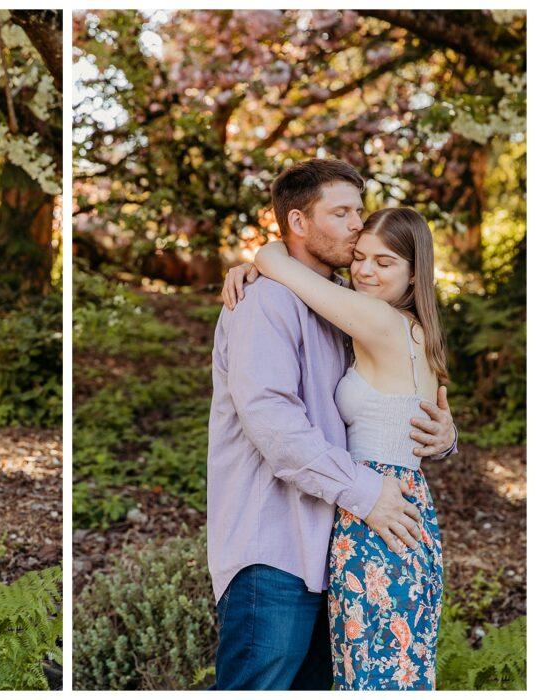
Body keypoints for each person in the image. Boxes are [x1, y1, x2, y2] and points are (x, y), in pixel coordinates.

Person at [207, 159, 456, 690]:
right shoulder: (265, 301)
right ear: (299, 223)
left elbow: (394, 399)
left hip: (340, 540)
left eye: (358, 212)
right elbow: (273, 422)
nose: (355, 226)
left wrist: (444, 435)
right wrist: (366, 492)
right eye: (341, 213)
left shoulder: (347, 305)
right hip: (274, 548)